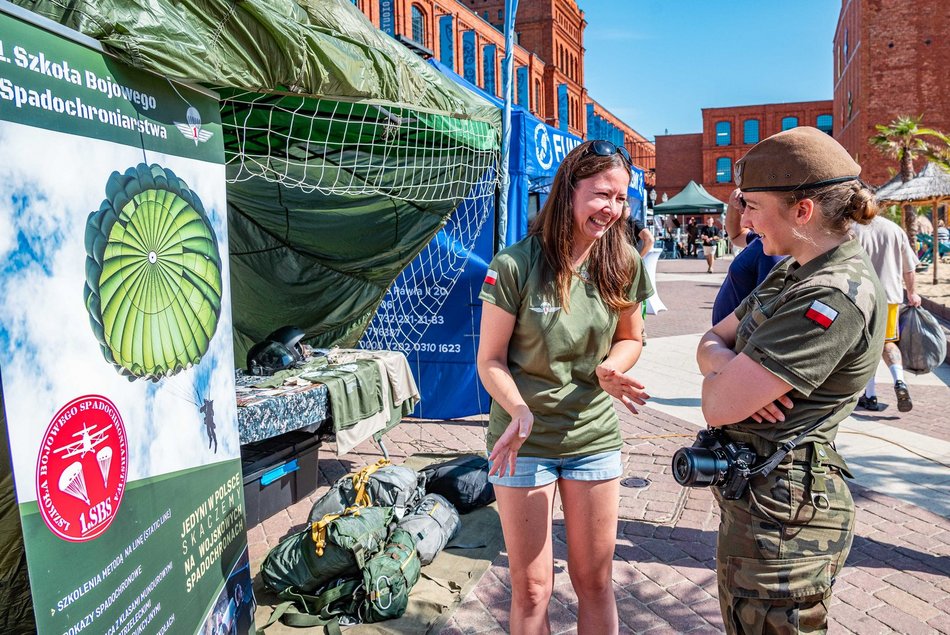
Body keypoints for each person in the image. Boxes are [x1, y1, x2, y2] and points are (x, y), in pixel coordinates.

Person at [695, 126, 885, 634]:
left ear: (803, 210)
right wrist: (728, 368)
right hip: (762, 500)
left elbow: (716, 404)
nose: (745, 220)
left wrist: (725, 377)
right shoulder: (795, 270)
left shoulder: (830, 294)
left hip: (786, 521)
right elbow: (709, 340)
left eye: (753, 205)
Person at [477, 140, 652, 634]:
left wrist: (611, 368)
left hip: (592, 438)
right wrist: (518, 409)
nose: (612, 209)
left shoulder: (624, 262)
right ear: (569, 190)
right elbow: (490, 360)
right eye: (602, 194)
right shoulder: (514, 264)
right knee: (533, 587)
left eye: (620, 198)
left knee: (594, 581)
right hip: (522, 443)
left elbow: (631, 337)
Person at [852, 214, 922, 412]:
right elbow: (909, 268)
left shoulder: (852, 228)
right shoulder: (894, 229)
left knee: (867, 347)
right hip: (890, 297)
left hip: (861, 297)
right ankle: (899, 380)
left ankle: (870, 394)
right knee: (888, 342)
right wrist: (912, 292)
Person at [712, 188, 784, 324]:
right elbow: (736, 235)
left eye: (752, 207)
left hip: (738, 335)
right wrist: (732, 203)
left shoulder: (772, 251)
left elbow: (763, 312)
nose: (744, 220)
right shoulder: (762, 238)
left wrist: (719, 335)